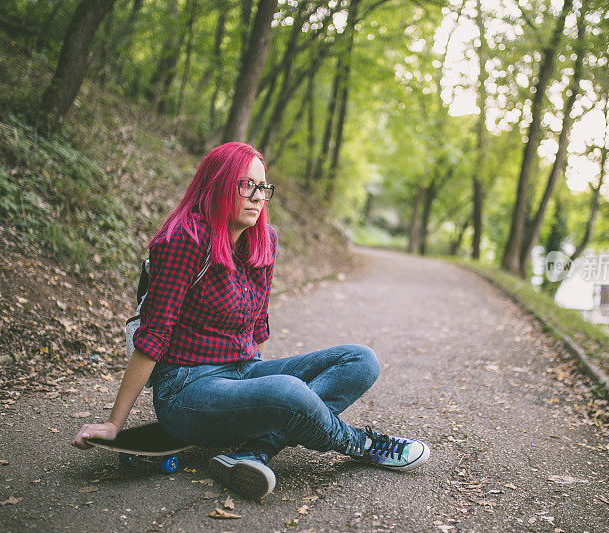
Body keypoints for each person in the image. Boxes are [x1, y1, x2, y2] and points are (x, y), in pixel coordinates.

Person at [72, 142, 430, 500]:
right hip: (186, 389)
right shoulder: (185, 240)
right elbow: (152, 337)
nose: (258, 197)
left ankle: (255, 451)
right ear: (218, 185)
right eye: (246, 185)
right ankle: (363, 444)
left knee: (360, 360)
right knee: (289, 394)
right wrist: (114, 423)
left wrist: (255, 399)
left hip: (243, 369)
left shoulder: (263, 240)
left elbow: (257, 325)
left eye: (263, 188)